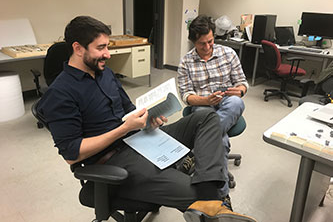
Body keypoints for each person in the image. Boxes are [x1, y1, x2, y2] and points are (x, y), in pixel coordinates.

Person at [37, 16, 255, 222]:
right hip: (115, 158)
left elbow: (129, 109)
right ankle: (211, 201)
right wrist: (124, 129)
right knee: (198, 194)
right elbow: (72, 154)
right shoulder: (60, 94)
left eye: (107, 47)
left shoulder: (105, 74)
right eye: (101, 48)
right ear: (77, 48)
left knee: (206, 117)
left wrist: (148, 116)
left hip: (141, 138)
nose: (108, 55)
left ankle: (209, 198)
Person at [177, 15, 249, 204]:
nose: (208, 47)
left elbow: (242, 83)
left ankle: (196, 152)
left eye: (210, 41)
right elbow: (186, 96)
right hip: (201, 105)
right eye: (202, 44)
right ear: (193, 42)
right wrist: (205, 99)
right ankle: (222, 196)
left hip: (226, 101)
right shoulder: (186, 62)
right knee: (221, 141)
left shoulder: (228, 53)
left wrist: (239, 90)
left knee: (237, 103)